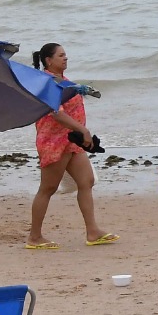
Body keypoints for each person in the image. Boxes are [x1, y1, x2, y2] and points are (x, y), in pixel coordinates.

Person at [26, 43, 117, 248]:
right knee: (47, 189)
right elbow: (55, 113)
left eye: (66, 55)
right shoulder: (46, 83)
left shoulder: (64, 81)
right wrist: (84, 131)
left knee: (87, 181)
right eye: (61, 55)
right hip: (54, 142)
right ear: (49, 60)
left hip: (71, 142)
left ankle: (92, 232)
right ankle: (34, 237)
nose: (66, 58)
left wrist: (83, 134)